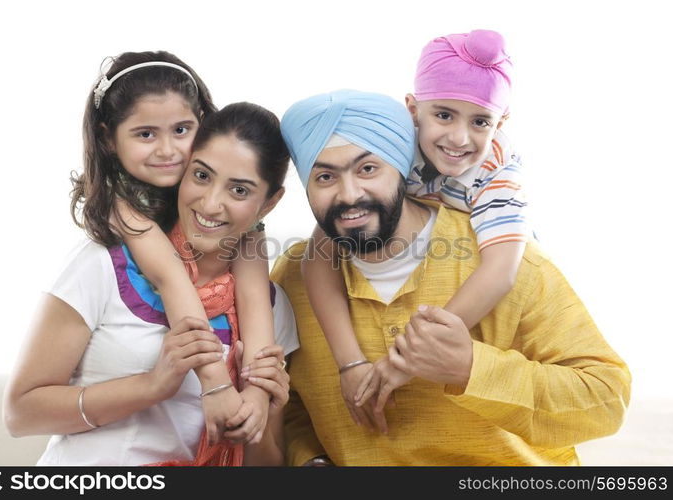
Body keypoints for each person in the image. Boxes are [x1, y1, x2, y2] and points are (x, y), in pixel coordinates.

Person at [274, 89, 631, 465]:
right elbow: (290, 403)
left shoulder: (507, 261)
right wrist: (310, 459)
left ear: (400, 166)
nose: (349, 195)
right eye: (325, 177)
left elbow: (606, 401)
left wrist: (470, 368)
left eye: (368, 169)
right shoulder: (292, 277)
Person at [3, 101, 297, 466]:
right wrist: (153, 385)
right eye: (201, 176)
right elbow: (20, 413)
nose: (210, 204)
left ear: (269, 203)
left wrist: (264, 412)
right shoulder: (103, 265)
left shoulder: (271, 312)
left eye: (239, 191)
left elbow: (263, 469)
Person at [299, 30, 531, 427]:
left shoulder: (497, 171)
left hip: (477, 275)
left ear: (501, 122)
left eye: (480, 121)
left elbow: (501, 271)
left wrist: (405, 359)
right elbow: (317, 257)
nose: (459, 138)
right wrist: (350, 362)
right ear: (412, 109)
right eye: (443, 115)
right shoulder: (391, 150)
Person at [71, 51, 278, 441]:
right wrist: (215, 384)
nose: (167, 150)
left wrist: (257, 390)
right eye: (146, 134)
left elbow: (255, 298)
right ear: (108, 139)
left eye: (181, 130)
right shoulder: (123, 205)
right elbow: (171, 280)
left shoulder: (227, 196)